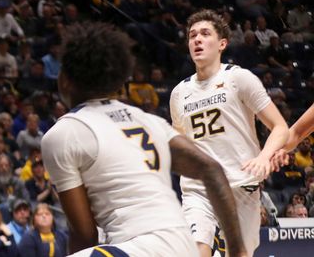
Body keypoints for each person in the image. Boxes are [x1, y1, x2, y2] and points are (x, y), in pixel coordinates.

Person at [41, 21, 248, 257]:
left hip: (138, 248)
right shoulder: (149, 120)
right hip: (184, 246)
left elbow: (84, 234)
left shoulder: (63, 134)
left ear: (65, 79)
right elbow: (211, 169)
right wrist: (238, 250)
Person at [170, 10, 289, 257]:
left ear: (222, 43)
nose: (197, 40)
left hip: (241, 183)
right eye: (192, 36)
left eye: (205, 34)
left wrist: (264, 157)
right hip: (199, 188)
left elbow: (280, 127)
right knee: (195, 251)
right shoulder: (178, 93)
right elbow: (179, 144)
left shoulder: (239, 78)